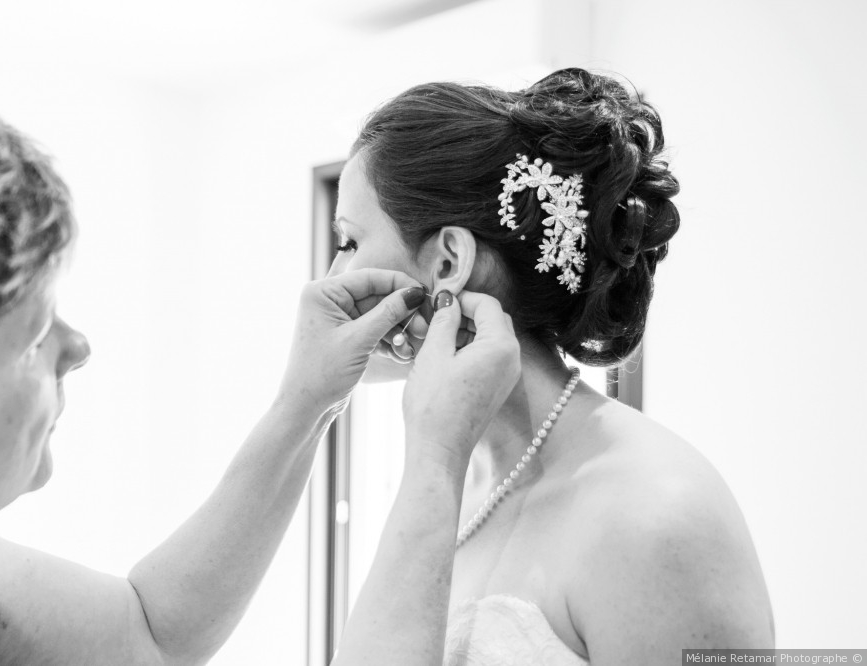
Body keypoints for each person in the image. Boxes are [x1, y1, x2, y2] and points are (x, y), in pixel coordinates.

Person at [0, 78, 521, 665]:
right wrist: (435, 459)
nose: (79, 348)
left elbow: (149, 635)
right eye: (34, 337)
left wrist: (309, 401)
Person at [328, 68, 776, 664]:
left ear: (447, 262)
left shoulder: (654, 514)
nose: (332, 280)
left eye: (348, 242)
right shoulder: (453, 485)